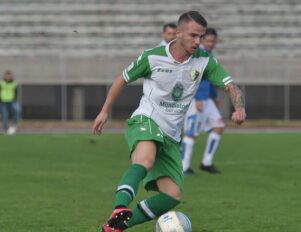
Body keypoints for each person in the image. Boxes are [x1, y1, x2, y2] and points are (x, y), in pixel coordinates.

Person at [92, 11, 246, 232]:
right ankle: (120, 207)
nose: (198, 41)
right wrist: (104, 111)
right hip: (146, 119)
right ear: (179, 32)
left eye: (201, 37)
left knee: (172, 195)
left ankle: (115, 227)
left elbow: (231, 86)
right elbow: (122, 79)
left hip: (172, 134)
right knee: (145, 160)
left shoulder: (204, 60)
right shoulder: (152, 56)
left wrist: (239, 107)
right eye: (193, 35)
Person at [182, 28, 225, 174]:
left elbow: (210, 78)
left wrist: (214, 96)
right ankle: (184, 166)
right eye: (208, 40)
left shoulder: (210, 55)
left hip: (207, 99)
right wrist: (198, 98)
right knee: (191, 133)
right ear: (202, 40)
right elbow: (191, 78)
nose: (210, 43)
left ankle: (206, 162)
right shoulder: (195, 55)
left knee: (218, 126)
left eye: (213, 41)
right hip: (194, 100)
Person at [0, 70, 21, 135]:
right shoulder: (1, 83)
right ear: (5, 76)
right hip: (3, 102)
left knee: (17, 110)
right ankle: (6, 129)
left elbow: (16, 92)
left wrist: (15, 100)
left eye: (9, 76)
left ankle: (14, 125)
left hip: (12, 102)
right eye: (7, 76)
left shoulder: (14, 83)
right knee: (5, 115)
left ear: (11, 76)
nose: (8, 77)